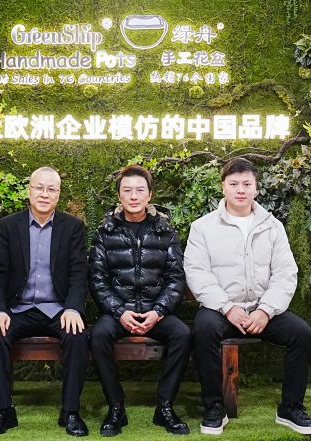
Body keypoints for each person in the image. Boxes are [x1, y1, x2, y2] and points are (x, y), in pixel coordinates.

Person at [184, 158, 311, 436]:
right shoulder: (202, 227)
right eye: (234, 184)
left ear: (256, 188)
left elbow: (285, 273)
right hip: (221, 310)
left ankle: (291, 408)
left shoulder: (272, 226)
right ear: (223, 186)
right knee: (203, 329)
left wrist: (266, 310)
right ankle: (214, 407)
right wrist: (226, 307)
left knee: (302, 334)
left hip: (261, 310)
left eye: (247, 184)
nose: (240, 190)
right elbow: (197, 273)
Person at [0, 166, 89, 438]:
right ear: (29, 190)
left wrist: (73, 308)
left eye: (51, 189)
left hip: (57, 309)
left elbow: (79, 272)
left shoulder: (73, 228)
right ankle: (3, 411)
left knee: (77, 335)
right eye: (39, 187)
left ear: (58, 194)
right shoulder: (9, 226)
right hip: (19, 308)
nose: (44, 194)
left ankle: (70, 411)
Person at [88, 165, 192, 436]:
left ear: (149, 195)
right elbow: (98, 279)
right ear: (119, 196)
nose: (133, 196)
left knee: (182, 334)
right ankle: (116, 407)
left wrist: (158, 311)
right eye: (127, 190)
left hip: (155, 311)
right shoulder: (104, 233)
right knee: (98, 336)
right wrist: (119, 312)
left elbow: (175, 278)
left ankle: (165, 406)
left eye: (139, 190)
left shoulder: (165, 231)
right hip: (118, 312)